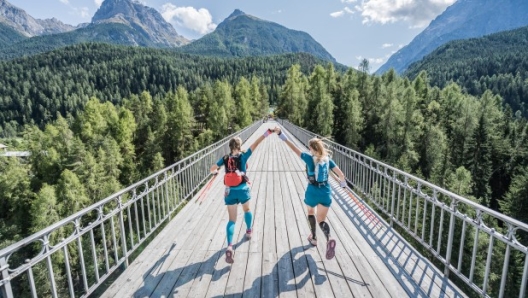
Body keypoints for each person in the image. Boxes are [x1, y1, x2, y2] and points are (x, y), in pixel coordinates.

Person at [274, 126, 346, 260]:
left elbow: (292, 146)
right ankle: (329, 238)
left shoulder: (308, 158)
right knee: (322, 220)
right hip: (325, 191)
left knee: (311, 213)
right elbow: (341, 175)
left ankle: (313, 238)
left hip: (312, 191)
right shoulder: (328, 160)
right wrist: (342, 183)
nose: (309, 150)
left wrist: (280, 134)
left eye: (310, 148)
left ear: (313, 149)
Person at [210, 128, 274, 264]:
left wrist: (215, 173)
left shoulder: (225, 158)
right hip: (243, 189)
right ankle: (249, 231)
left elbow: (212, 168)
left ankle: (229, 246)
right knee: (247, 210)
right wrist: (267, 132)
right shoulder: (243, 156)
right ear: (239, 146)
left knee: (231, 220)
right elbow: (256, 143)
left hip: (229, 192)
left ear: (230, 147)